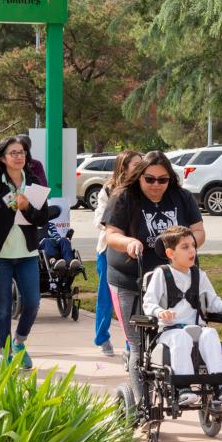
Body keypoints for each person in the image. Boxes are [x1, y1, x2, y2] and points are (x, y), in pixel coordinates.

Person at [102, 150, 205, 401]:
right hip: (132, 279)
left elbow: (199, 231)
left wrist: (186, 245)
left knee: (183, 334)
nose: (156, 185)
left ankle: (181, 386)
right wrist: (128, 242)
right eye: (150, 179)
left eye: (163, 179)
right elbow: (111, 234)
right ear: (139, 176)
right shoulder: (124, 197)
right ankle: (142, 403)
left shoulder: (181, 197)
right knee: (139, 342)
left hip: (176, 281)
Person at [143, 226, 222, 406]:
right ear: (171, 253)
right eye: (185, 247)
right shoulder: (161, 274)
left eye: (193, 246)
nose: (192, 250)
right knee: (181, 337)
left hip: (196, 329)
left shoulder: (199, 275)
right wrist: (159, 312)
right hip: (170, 331)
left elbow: (212, 300)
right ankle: (182, 388)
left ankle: (220, 384)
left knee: (210, 333)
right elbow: (148, 303)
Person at [0, 136, 50, 370]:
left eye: (22, 152)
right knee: (3, 307)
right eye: (13, 153)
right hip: (0, 256)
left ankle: (19, 342)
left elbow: (42, 218)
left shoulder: (35, 182)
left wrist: (27, 207)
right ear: (2, 158)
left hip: (27, 254)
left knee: (32, 302)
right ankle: (5, 351)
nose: (19, 157)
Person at [93, 149, 143, 356]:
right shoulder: (108, 190)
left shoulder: (144, 187)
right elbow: (99, 221)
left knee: (133, 300)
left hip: (136, 251)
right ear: (124, 167)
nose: (142, 168)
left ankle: (131, 346)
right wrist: (118, 229)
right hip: (109, 251)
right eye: (136, 165)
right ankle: (102, 337)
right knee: (107, 298)